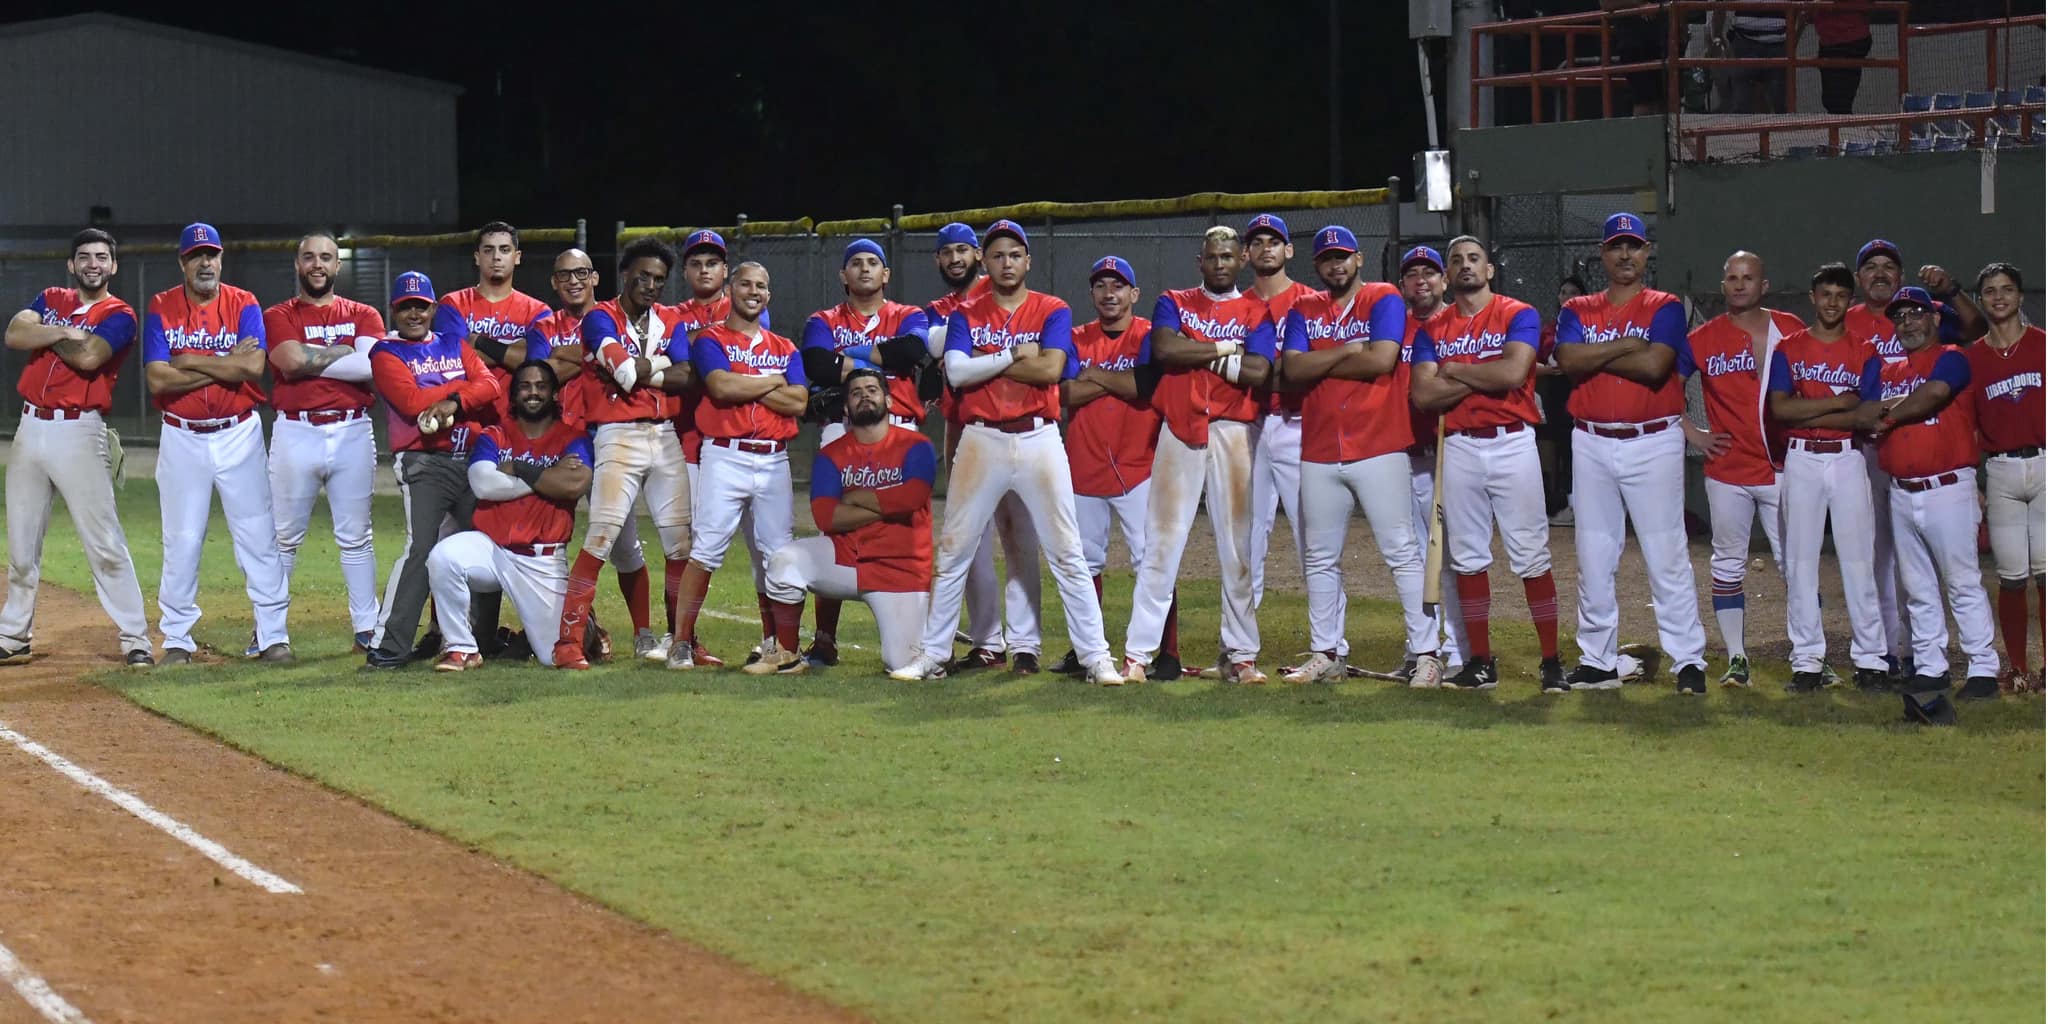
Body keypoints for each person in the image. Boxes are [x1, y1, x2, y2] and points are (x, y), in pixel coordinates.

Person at [892, 219, 1121, 686]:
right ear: (986, 261)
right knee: (954, 550)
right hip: (981, 438)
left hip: (1039, 438)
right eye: (997, 255)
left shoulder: (1051, 308)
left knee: (1066, 552)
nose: (1006, 262)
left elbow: (1052, 369)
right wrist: (1015, 355)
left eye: (1014, 254)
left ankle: (1097, 657)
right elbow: (955, 374)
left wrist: (987, 366)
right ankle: (933, 655)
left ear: (1027, 261)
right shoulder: (966, 313)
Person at [1553, 213, 1708, 695]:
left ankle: (1688, 662)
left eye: (1634, 246)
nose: (1625, 255)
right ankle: (1597, 660)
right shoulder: (1578, 307)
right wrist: (1623, 344)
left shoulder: (1663, 306)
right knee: (1594, 553)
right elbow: (1567, 359)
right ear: (1603, 253)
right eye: (1617, 246)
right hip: (1592, 439)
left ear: (1647, 253)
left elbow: (1656, 365)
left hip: (1653, 439)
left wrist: (1599, 354)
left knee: (1666, 553)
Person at [1121, 226, 1277, 684]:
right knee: (1162, 545)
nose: (1221, 263)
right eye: (1213, 257)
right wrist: (1229, 348)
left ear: (1242, 259)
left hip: (1233, 432)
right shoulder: (1174, 300)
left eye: (1229, 256)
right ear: (1200, 261)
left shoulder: (1256, 310)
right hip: (1181, 428)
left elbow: (1260, 370)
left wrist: (1201, 354)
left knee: (1238, 547)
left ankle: (1241, 654)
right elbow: (1165, 348)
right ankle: (1137, 654)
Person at [1407, 237, 1564, 692]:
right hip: (1458, 446)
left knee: (1532, 555)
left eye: (1473, 258)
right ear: (1448, 275)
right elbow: (1423, 395)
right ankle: (1480, 661)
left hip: (1512, 442)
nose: (1465, 266)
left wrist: (1454, 370)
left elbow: (1513, 374)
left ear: (1489, 269)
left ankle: (1551, 661)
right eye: (1456, 260)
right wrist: (1481, 375)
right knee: (1469, 557)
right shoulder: (1431, 329)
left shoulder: (1519, 313)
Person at [1281, 226, 1434, 686]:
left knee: (1402, 552)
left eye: (1343, 256)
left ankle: (1426, 653)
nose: (1336, 265)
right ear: (1318, 266)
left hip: (1379, 443)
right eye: (1328, 258)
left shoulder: (1384, 297)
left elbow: (1382, 359)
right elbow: (1292, 369)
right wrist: (1348, 349)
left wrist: (1322, 357)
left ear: (1359, 259)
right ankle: (1326, 652)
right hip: (1321, 448)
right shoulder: (1303, 307)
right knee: (1320, 557)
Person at [0, 228, 152, 667]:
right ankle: (14, 635)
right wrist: (64, 330)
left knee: (104, 542)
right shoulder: (51, 295)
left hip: (79, 431)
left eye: (101, 257)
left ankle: (136, 638)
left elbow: (90, 358)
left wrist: (45, 331)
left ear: (113, 266)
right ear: (71, 264)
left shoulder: (121, 313)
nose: (92, 263)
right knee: (22, 542)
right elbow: (13, 333)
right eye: (84, 256)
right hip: (30, 429)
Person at [143, 223, 293, 665]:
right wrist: (222, 363)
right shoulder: (162, 306)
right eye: (195, 256)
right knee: (183, 539)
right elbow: (156, 376)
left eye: (211, 254)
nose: (204, 263)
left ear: (221, 259)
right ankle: (176, 638)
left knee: (257, 536)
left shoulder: (244, 302)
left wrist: (188, 360)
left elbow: (252, 367)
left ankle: (273, 636)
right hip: (181, 436)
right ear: (182, 263)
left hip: (239, 432)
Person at [1849, 286, 2000, 723]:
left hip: (1948, 487)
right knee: (1917, 588)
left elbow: (1933, 395)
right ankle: (1931, 666)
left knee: (1962, 582)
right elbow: (1865, 410)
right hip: (1902, 490)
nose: (1909, 322)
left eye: (1917, 314)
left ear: (1935, 319)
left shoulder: (1953, 356)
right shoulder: (1890, 369)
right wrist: (1875, 412)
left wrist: (1888, 414)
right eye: (1901, 317)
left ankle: (1983, 668)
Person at [556, 239, 693, 671]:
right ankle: (568, 644)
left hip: (665, 435)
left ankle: (682, 643)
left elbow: (686, 376)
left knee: (679, 543)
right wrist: (659, 362)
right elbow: (626, 374)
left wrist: (642, 365)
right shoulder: (599, 317)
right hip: (616, 435)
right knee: (601, 536)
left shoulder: (670, 317)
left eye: (659, 279)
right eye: (643, 276)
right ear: (625, 275)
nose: (651, 285)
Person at [797, 239, 933, 669]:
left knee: (905, 524)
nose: (864, 269)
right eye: (855, 263)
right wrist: (879, 362)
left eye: (873, 262)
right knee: (835, 534)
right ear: (843, 275)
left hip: (900, 430)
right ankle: (824, 639)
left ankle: (916, 624)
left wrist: (847, 362)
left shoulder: (909, 315)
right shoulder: (823, 319)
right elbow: (815, 363)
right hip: (841, 428)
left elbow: (913, 351)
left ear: (886, 274)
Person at [669, 262, 808, 672]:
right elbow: (720, 386)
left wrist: (746, 381)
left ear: (768, 295)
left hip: (773, 458)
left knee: (775, 553)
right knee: (707, 548)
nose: (753, 290)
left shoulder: (785, 347)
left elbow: (799, 402)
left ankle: (777, 644)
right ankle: (681, 643)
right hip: (724, 454)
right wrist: (771, 382)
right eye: (745, 283)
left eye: (761, 286)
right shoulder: (710, 339)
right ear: (731, 289)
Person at [363, 271, 502, 669]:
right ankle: (389, 646)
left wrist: (451, 402)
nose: (413, 313)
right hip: (425, 462)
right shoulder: (386, 352)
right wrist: (461, 389)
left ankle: (479, 638)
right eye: (405, 306)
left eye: (420, 306)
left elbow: (491, 385)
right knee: (421, 549)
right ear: (394, 310)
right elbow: (410, 401)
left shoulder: (452, 342)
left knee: (487, 545)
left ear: (433, 309)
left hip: (472, 458)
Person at [521, 249, 657, 656]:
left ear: (595, 277)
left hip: (611, 438)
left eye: (581, 273)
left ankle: (644, 632)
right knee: (554, 540)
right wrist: (593, 357)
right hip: (560, 443)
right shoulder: (544, 325)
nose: (573, 281)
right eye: (564, 275)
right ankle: (583, 628)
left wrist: (568, 357)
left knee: (622, 545)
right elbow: (539, 378)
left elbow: (633, 370)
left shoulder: (618, 318)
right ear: (553, 283)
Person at [1767, 263, 1891, 693]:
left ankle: (1871, 659)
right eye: (1826, 293)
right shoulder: (1789, 348)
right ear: (1812, 297)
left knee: (1858, 559)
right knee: (1801, 562)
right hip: (1801, 459)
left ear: (1849, 299)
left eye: (1841, 294)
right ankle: (1806, 661)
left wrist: (1818, 407)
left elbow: (1869, 414)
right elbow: (1780, 410)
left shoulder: (1865, 351)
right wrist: (1840, 403)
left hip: (1847, 458)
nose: (1833, 301)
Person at [763, 370, 936, 674]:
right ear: (846, 407)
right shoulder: (832, 454)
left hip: (900, 569)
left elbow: (911, 500)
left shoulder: (917, 446)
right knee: (784, 561)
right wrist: (887, 504)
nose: (865, 396)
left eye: (872, 390)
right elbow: (827, 517)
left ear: (890, 400)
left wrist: (855, 497)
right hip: (848, 558)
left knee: (904, 664)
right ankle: (787, 655)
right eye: (856, 393)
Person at [425, 360, 594, 671]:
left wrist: (520, 468)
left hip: (541, 558)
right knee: (443, 556)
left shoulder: (574, 438)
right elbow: (483, 484)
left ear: (555, 394)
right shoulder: (495, 434)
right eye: (525, 387)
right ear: (514, 395)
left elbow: (573, 485)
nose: (533, 392)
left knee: (554, 657)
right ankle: (462, 648)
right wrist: (546, 478)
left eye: (541, 386)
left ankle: (592, 628)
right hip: (492, 549)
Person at [924, 222, 1039, 675]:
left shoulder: (1010, 291)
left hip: (1020, 426)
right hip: (963, 425)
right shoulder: (939, 308)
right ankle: (988, 640)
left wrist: (967, 351)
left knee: (1018, 536)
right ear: (938, 260)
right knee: (966, 537)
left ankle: (1026, 644)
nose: (955, 258)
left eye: (963, 250)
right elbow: (931, 343)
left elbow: (1037, 352)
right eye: (946, 252)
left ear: (979, 255)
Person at [1682, 251, 1802, 686]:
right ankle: (1736, 658)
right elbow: (1665, 385)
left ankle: (1810, 656)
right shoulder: (1703, 337)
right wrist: (1692, 432)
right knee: (1728, 564)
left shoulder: (1790, 328)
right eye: (1731, 277)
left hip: (1782, 466)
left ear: (1763, 285)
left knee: (1797, 564)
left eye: (1747, 278)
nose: (1738, 285)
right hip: (1728, 469)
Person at [1058, 256, 1179, 679]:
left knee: (1152, 561)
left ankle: (1168, 653)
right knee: (1083, 563)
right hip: (1085, 466)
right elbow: (1065, 395)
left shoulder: (1149, 334)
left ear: (1134, 294)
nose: (1109, 293)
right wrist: (1115, 380)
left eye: (1118, 285)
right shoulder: (1074, 336)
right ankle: (1084, 651)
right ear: (1091, 293)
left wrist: (1097, 375)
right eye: (1101, 286)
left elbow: (1142, 387)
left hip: (1139, 465)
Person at [263, 232, 383, 651]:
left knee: (356, 536)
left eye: (326, 257)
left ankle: (367, 630)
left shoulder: (364, 312)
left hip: (352, 429)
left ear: (337, 266)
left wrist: (311, 357)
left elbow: (371, 367)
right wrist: (340, 350)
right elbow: (290, 363)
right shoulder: (278, 314)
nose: (318, 264)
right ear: (298, 264)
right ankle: (269, 633)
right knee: (282, 538)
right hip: (296, 430)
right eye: (309, 257)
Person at [665, 229, 770, 667]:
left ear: (726, 272)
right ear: (686, 270)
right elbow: (686, 371)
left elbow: (746, 364)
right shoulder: (672, 314)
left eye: (713, 261)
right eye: (696, 261)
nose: (704, 268)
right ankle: (682, 639)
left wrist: (715, 364)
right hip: (691, 440)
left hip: (743, 439)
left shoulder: (748, 304)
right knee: (687, 545)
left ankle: (773, 639)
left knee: (762, 545)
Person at [1965, 262, 2044, 692]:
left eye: (2007, 289)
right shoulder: (1973, 357)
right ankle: (2016, 667)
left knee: (2047, 572)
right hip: (1999, 469)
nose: (1999, 296)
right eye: (1991, 290)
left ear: (2020, 296)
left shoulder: (2043, 345)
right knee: (2012, 575)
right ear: (1981, 300)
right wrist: (1974, 482)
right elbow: (1969, 423)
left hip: (2045, 463)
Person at [1396, 245, 1467, 678]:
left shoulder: (1457, 326)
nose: (1421, 279)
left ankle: (1459, 650)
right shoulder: (1393, 327)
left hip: (1445, 454)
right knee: (1411, 557)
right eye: (1412, 273)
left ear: (1444, 280)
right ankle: (1422, 649)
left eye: (1430, 272)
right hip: (1399, 457)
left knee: (1452, 556)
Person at [1241, 213, 1317, 616]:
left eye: (1273, 241)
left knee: (1313, 536)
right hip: (1247, 427)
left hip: (1298, 425)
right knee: (1246, 538)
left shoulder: (1310, 302)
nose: (1265, 247)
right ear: (1246, 253)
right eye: (1257, 241)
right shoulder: (1235, 306)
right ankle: (1239, 648)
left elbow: (1309, 371)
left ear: (1288, 250)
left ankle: (1331, 647)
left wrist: (1251, 374)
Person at [1539, 275, 1587, 526]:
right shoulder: (1549, 327)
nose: (1568, 296)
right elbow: (1534, 361)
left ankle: (1580, 505)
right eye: (1564, 292)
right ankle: (1568, 504)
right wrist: (1547, 370)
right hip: (1556, 393)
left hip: (1580, 390)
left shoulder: (1590, 324)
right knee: (1564, 449)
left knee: (1580, 450)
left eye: (1574, 292)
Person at [1710, 5, 1789, 114]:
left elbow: (1798, 10)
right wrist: (1717, 36)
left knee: (1780, 101)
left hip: (1778, 42)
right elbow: (1720, 5)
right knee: (1741, 101)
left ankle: (1781, 128)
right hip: (1744, 42)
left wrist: (1791, 36)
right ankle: (1742, 127)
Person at [1807, 1, 1874, 116]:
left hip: (1847, 39)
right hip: (1832, 40)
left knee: (1838, 102)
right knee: (1832, 100)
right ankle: (1841, 128)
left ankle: (1843, 129)